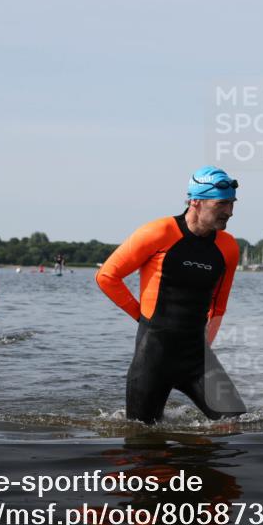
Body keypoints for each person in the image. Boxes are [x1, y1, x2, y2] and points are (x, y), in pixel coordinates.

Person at [96, 166, 247, 424]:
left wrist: (205, 345)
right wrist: (142, 317)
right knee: (143, 439)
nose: (230, 212)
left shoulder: (228, 247)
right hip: (154, 355)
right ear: (196, 201)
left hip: (196, 356)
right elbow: (107, 276)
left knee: (235, 423)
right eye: (222, 204)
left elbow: (218, 307)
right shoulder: (158, 232)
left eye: (232, 203)